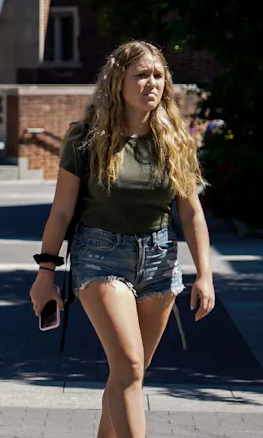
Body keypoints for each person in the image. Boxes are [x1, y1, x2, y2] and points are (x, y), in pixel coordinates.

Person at [29, 40, 215, 438]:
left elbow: (191, 211)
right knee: (129, 368)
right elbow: (61, 211)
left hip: (160, 259)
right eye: (142, 75)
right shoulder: (86, 140)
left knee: (127, 376)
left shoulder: (175, 141)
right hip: (99, 256)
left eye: (159, 75)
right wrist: (45, 274)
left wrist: (205, 275)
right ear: (118, 82)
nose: (153, 83)